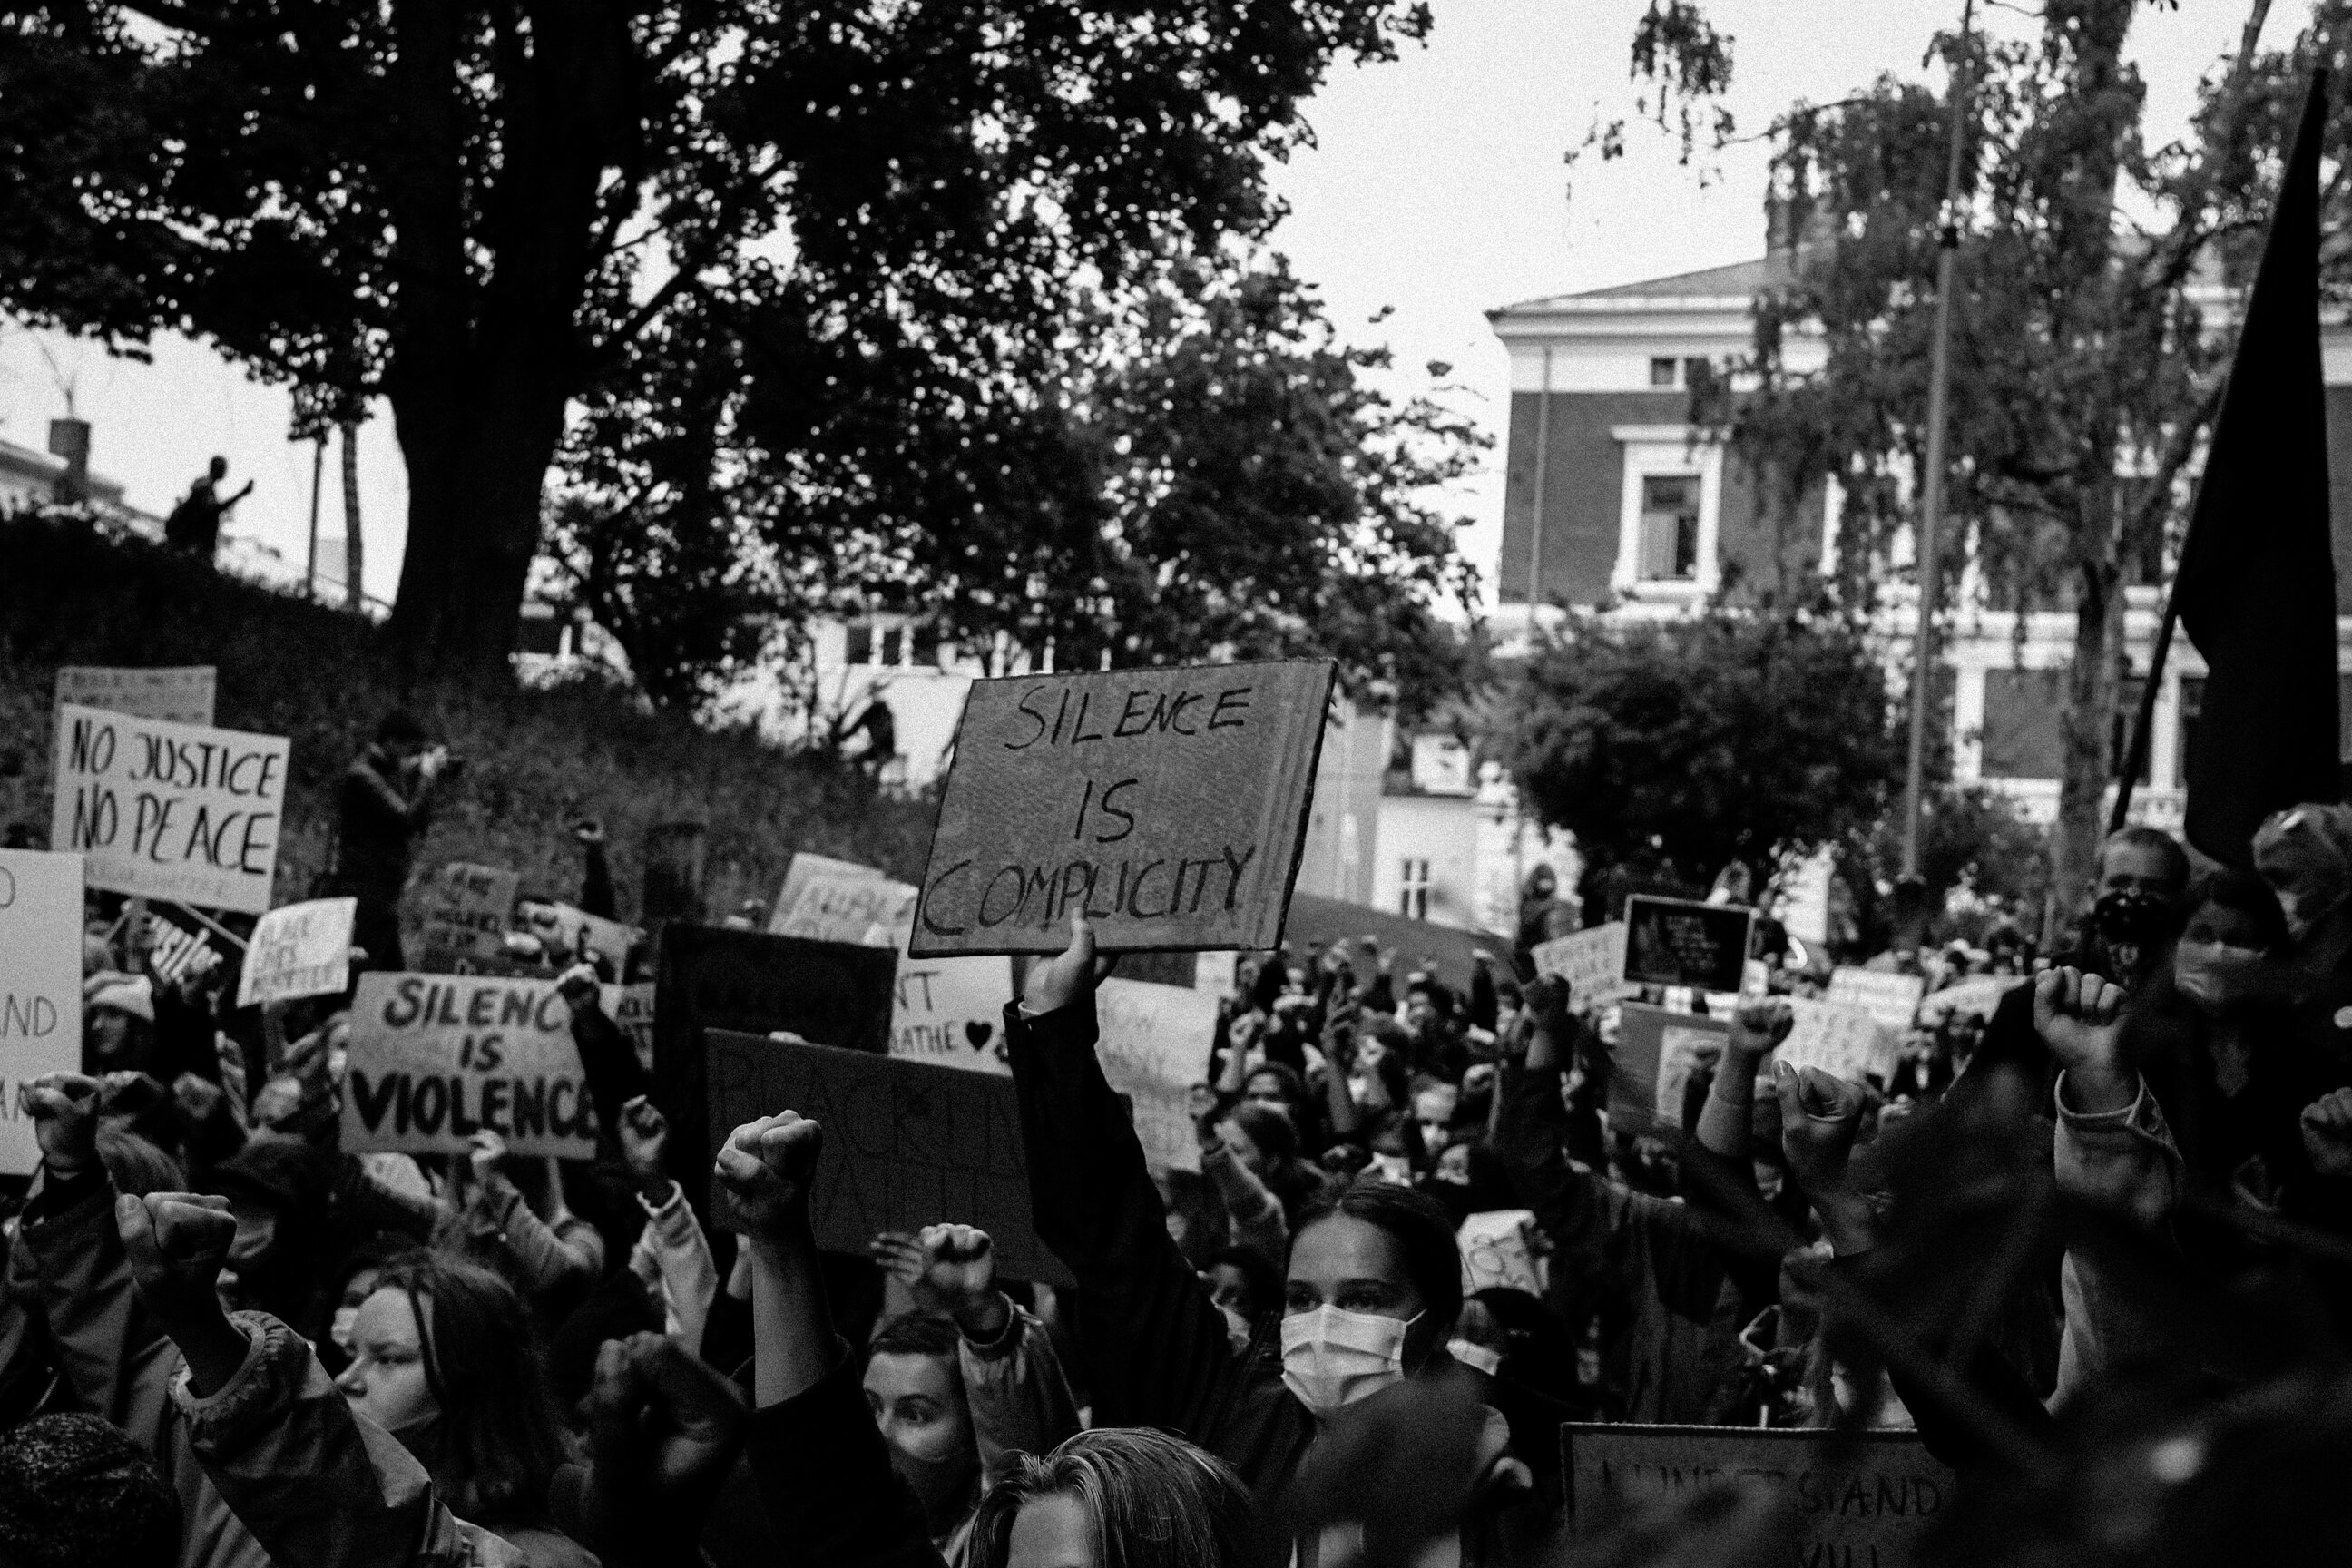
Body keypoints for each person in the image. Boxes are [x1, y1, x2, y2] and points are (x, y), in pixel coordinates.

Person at [1003, 910, 1533, 1560]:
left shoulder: (1502, 1487)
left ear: (1439, 1318)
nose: (1326, 1324)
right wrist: (1053, 1024)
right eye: (1304, 1299)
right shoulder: (1227, 1409)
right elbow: (1110, 1232)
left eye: (1364, 1299)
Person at [337, 1251, 591, 1563]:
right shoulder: (327, 1517)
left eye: (388, 1358)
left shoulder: (537, 1560)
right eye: (351, 1357)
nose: (344, 1380)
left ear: (469, 1384)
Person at [862, 1224, 1082, 1564]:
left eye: (915, 1414)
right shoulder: (838, 1527)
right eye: (870, 1406)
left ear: (973, 1439)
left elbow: (1015, 1458)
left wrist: (982, 1314)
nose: (880, 1433)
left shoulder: (990, 1543)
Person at [330, 711, 455, 974]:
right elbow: (406, 818)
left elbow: (417, 819)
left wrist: (423, 774)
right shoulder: (363, 776)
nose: (408, 757)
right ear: (392, 743)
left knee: (388, 975)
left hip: (383, 887)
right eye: (408, 750)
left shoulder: (386, 772)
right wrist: (427, 776)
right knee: (361, 971)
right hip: (366, 886)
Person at [163, 457, 251, 562]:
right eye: (223, 468)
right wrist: (241, 494)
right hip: (190, 538)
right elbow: (212, 510)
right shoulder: (205, 486)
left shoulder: (204, 484)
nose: (225, 471)